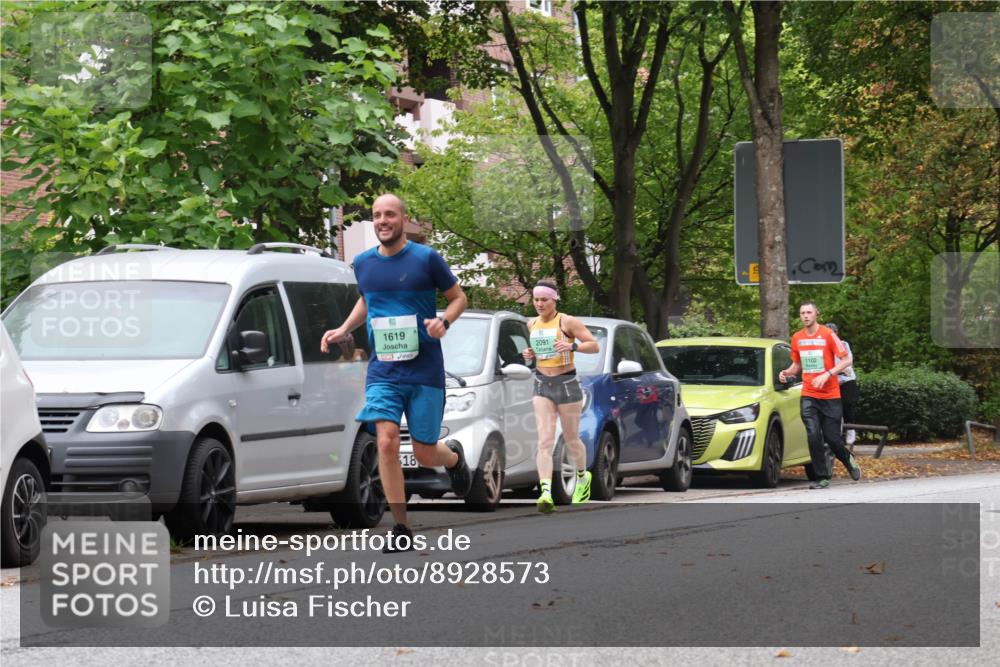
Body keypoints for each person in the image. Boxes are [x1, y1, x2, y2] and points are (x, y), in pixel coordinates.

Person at [321, 193, 470, 552]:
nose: (383, 221)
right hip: (383, 371)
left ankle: (452, 458)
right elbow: (367, 299)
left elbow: (459, 298)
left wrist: (444, 322)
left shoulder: (426, 258)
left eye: (390, 214)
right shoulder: (362, 263)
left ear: (404, 218)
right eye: (377, 215)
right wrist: (344, 329)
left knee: (424, 454)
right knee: (386, 441)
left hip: (424, 369)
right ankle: (401, 527)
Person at [521, 280, 599, 512]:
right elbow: (542, 353)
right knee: (545, 441)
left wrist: (572, 347)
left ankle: (583, 477)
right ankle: (545, 493)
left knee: (571, 438)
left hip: (566, 384)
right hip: (542, 384)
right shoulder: (531, 323)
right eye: (536, 299)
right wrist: (530, 353)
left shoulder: (567, 321)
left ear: (554, 299)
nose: (539, 304)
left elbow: (593, 345)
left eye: (544, 299)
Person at [778, 300, 862, 489]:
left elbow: (846, 360)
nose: (805, 316)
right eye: (802, 313)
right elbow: (797, 365)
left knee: (832, 438)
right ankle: (822, 477)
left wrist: (828, 374)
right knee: (813, 434)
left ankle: (847, 459)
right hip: (809, 394)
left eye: (809, 312)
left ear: (816, 314)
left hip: (830, 396)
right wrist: (786, 373)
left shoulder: (828, 334)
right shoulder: (797, 337)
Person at [825, 322, 858, 446]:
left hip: (846, 380)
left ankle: (850, 430)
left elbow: (847, 362)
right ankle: (836, 435)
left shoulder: (843, 344)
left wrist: (834, 370)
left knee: (848, 405)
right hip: (831, 381)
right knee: (833, 409)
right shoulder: (823, 348)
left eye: (833, 333)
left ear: (837, 333)